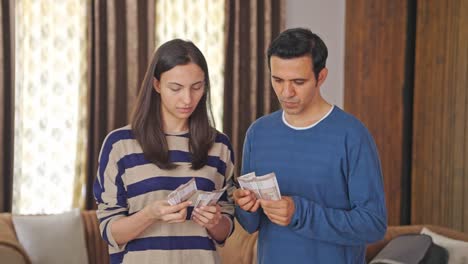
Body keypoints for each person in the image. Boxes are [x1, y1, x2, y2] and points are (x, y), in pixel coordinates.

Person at [233, 28, 387, 264]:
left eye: (298, 82)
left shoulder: (352, 135)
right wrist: (246, 206)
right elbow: (251, 225)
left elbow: (373, 225)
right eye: (278, 80)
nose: (286, 92)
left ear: (321, 76)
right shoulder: (258, 133)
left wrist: (299, 213)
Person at [93, 39, 235, 264]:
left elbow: (225, 231)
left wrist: (215, 221)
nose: (188, 99)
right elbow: (110, 232)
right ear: (157, 85)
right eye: (176, 88)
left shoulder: (219, 145)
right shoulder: (120, 144)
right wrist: (150, 214)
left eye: (197, 87)